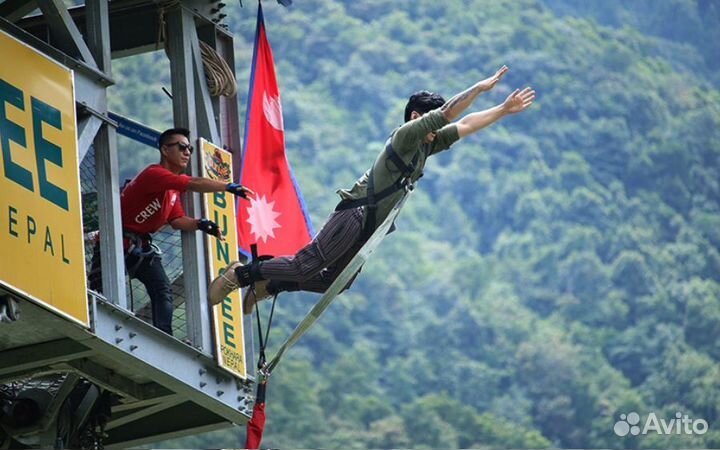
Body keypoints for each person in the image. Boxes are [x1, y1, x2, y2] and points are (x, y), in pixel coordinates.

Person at [209, 66, 535, 313]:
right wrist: (479, 87)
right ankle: (240, 275)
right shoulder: (407, 136)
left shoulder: (426, 147)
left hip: (370, 229)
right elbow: (450, 113)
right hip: (357, 212)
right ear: (417, 118)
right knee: (304, 264)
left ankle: (268, 285)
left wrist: (503, 110)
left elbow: (464, 124)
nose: (437, 132)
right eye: (433, 125)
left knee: (336, 282)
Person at [89, 127, 253, 335]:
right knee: (100, 291)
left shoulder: (173, 190)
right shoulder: (154, 174)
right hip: (114, 243)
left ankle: (163, 335)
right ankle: (96, 324)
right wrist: (227, 187)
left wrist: (201, 224)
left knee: (162, 289)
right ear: (165, 150)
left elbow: (176, 220)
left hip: (140, 247)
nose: (187, 152)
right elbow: (193, 183)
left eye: (190, 149)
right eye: (182, 147)